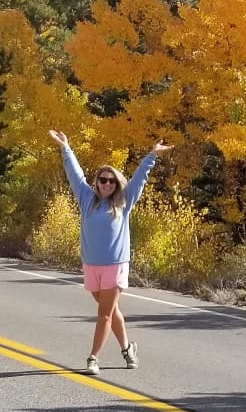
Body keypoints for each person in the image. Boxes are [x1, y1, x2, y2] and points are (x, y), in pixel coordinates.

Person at [51, 130, 171, 376]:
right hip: (91, 265)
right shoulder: (86, 198)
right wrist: (66, 147)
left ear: (117, 184)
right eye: (103, 180)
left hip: (115, 265)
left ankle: (93, 358)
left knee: (104, 313)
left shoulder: (124, 201)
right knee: (111, 310)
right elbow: (74, 174)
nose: (107, 184)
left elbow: (139, 179)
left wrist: (151, 156)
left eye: (111, 181)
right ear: (96, 183)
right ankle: (128, 349)